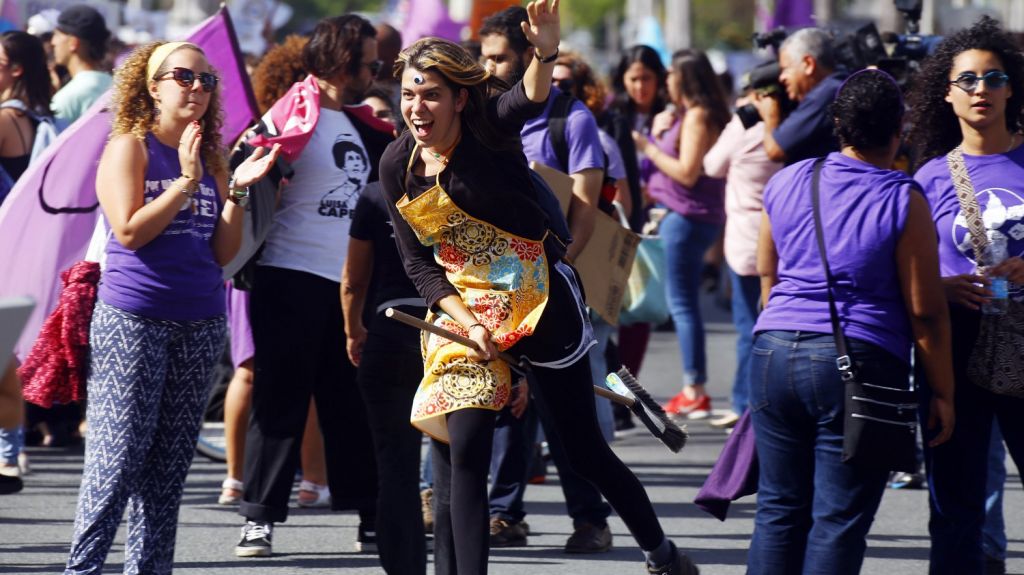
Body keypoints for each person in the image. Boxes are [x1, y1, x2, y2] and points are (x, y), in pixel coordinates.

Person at [379, 2, 700, 573]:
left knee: (584, 453)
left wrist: (546, 51)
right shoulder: (396, 163)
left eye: (430, 94)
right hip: (465, 311)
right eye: (408, 93)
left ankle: (661, 552)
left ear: (459, 98)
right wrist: (468, 319)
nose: (416, 107)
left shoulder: (489, 134)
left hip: (542, 302)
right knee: (468, 447)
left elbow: (523, 97)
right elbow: (419, 266)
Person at [63, 40, 279, 575]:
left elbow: (223, 253)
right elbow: (131, 232)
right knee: (116, 465)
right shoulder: (130, 147)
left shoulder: (211, 155)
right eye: (184, 76)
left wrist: (238, 192)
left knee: (167, 472)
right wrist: (184, 182)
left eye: (208, 80)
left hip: (199, 320)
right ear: (152, 86)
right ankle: (82, 569)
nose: (198, 89)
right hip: (134, 319)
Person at [749, 68, 955, 573]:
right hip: (856, 363)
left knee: (777, 511)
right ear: (900, 128)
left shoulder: (788, 180)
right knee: (837, 520)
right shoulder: (901, 197)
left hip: (771, 352)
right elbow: (925, 311)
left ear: (836, 122)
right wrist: (943, 393)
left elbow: (766, 276)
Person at [233, 14, 394, 558]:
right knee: (279, 402)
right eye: (370, 61)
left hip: (354, 286)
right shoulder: (286, 118)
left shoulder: (368, 129)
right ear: (341, 61)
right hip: (288, 280)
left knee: (355, 404)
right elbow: (241, 172)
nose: (377, 69)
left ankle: (372, 515)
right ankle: (259, 518)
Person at [479, 6, 615, 553]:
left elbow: (584, 212)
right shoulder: (483, 117)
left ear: (528, 53)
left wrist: (550, 277)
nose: (488, 69)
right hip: (500, 289)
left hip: (555, 287)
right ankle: (502, 513)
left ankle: (591, 519)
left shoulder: (570, 121)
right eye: (482, 58)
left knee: (564, 412)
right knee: (507, 402)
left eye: (498, 58)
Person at [907, 15, 1024, 574]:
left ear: (1012, 87)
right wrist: (941, 286)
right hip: (957, 347)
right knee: (957, 506)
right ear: (947, 95)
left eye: (995, 78)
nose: (983, 90)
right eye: (969, 81)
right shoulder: (929, 177)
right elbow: (905, 270)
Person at [217, 36, 336, 510]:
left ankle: (237, 479)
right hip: (268, 263)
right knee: (272, 378)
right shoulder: (281, 135)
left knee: (250, 373)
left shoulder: (257, 131)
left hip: (249, 262)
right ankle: (308, 480)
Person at [633, 49, 730, 420]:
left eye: (671, 73)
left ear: (685, 78)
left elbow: (687, 172)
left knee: (682, 304)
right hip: (683, 216)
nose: (666, 79)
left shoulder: (698, 117)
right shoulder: (687, 116)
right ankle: (694, 385)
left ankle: (695, 387)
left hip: (686, 217)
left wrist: (647, 147)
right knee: (682, 302)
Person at [342, 180, 428, 574]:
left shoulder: (377, 193)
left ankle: (404, 568)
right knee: (456, 469)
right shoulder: (468, 183)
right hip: (453, 333)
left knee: (396, 467)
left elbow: (353, 280)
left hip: (390, 330)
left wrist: (353, 329)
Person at [701, 85, 783, 429]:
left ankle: (743, 403)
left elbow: (711, 164)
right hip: (783, 236)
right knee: (773, 324)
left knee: (748, 326)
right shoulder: (790, 125)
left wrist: (739, 120)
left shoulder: (744, 126)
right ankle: (764, 402)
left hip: (746, 239)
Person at [0, 31, 56, 488]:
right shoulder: (41, 116)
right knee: (6, 360)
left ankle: (7, 453)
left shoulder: (4, 119)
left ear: (15, 69)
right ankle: (10, 453)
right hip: (24, 246)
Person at [607, 45, 668, 427]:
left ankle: (627, 390)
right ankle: (616, 392)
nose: (640, 86)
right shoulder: (614, 116)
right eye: (633, 79)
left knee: (639, 310)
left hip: (658, 221)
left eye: (647, 78)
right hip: (623, 219)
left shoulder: (672, 115)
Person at [752, 27, 845, 165]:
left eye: (785, 69)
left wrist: (770, 115)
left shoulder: (825, 94)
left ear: (808, 64)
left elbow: (775, 150)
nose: (781, 78)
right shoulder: (839, 83)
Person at [51, 5, 112, 124]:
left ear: (73, 42)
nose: (53, 42)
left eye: (57, 35)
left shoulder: (67, 98)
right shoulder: (116, 85)